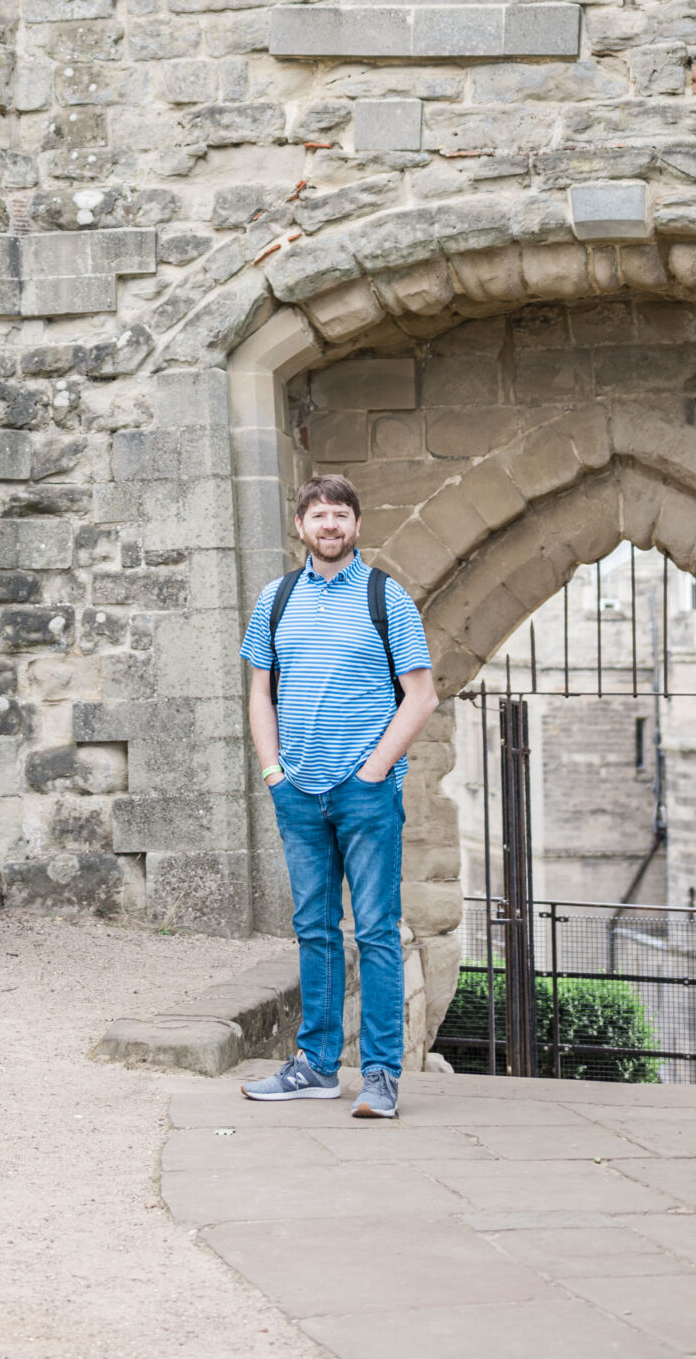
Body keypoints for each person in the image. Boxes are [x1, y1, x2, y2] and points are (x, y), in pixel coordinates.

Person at [239, 472, 438, 1118]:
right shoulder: (275, 599)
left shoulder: (387, 598)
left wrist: (374, 770)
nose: (329, 525)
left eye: (340, 515)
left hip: (364, 795)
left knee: (377, 932)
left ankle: (379, 1075)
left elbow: (421, 695)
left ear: (355, 526)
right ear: (300, 527)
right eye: (318, 515)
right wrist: (273, 771)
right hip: (298, 792)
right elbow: (259, 693)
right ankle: (316, 1067)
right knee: (314, 932)